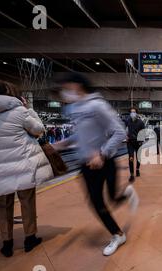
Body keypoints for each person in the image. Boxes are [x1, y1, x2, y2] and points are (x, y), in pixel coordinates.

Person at [53, 72, 137, 256]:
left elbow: (119, 132)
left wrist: (102, 154)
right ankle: (117, 234)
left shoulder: (98, 106)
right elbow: (82, 133)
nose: (64, 92)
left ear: (77, 85)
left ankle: (127, 195)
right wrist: (64, 143)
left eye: (66, 87)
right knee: (96, 202)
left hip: (104, 162)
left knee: (112, 199)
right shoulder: (75, 109)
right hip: (86, 164)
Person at [0, 80, 53, 257]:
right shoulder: (19, 110)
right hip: (22, 165)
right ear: (9, 93)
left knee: (2, 206)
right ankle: (29, 239)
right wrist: (28, 109)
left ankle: (7, 244)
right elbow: (38, 130)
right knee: (27, 203)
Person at [125, 107, 145, 182]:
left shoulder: (140, 122)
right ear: (130, 113)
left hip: (138, 142)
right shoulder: (127, 121)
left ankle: (137, 169)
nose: (132, 113)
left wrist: (141, 139)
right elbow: (125, 129)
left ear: (136, 113)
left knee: (138, 158)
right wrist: (126, 136)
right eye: (131, 112)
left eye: (134, 112)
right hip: (130, 142)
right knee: (131, 158)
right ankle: (132, 174)